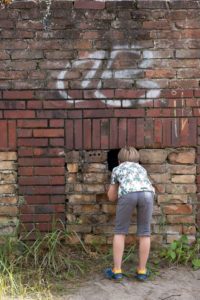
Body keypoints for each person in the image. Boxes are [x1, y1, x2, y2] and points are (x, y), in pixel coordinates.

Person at [105, 146, 155, 281]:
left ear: (119, 160)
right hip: (148, 194)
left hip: (128, 195)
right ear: (137, 160)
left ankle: (117, 270)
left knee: (120, 232)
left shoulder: (117, 169)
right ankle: (142, 271)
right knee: (145, 232)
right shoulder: (142, 169)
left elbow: (111, 197)